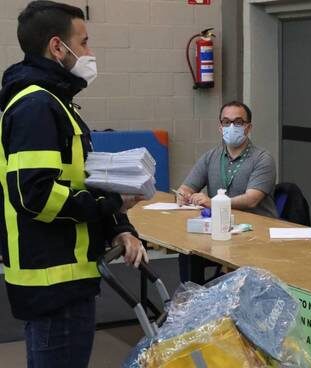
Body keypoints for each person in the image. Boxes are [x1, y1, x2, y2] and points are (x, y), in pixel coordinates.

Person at [0, 2, 148, 367]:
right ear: (56, 47)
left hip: (69, 276)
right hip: (53, 282)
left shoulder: (57, 103)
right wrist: (108, 204)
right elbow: (35, 195)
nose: (90, 53)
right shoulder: (36, 106)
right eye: (83, 43)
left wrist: (119, 226)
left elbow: (82, 180)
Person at [175, 101, 277, 283]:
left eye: (238, 122)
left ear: (248, 127)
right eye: (226, 122)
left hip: (254, 236)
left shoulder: (263, 159)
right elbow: (186, 187)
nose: (231, 127)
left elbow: (251, 199)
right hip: (221, 232)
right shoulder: (211, 156)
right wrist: (183, 195)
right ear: (219, 127)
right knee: (188, 253)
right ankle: (193, 304)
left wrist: (212, 202)